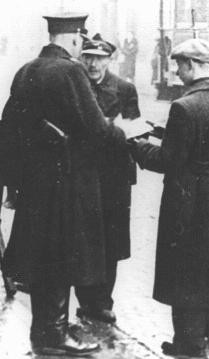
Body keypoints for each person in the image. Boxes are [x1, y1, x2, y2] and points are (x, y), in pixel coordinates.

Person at [0, 13, 127, 356]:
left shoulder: (27, 70)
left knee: (43, 255)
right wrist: (124, 134)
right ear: (73, 38)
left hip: (36, 184)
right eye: (81, 39)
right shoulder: (70, 71)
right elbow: (97, 129)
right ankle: (52, 334)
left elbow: (5, 130)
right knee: (61, 257)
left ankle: (48, 325)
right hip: (67, 183)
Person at [130, 39, 209, 358]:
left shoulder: (183, 106)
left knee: (187, 266)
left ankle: (189, 342)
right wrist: (166, 134)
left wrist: (135, 144)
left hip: (188, 197)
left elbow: (168, 161)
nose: (177, 72)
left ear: (192, 65)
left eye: (179, 65)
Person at [75, 33, 141, 323]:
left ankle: (103, 300)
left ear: (108, 60)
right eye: (88, 57)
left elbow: (134, 129)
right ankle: (85, 299)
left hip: (114, 175)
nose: (92, 64)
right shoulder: (74, 85)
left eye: (99, 58)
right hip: (83, 173)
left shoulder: (125, 88)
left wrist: (111, 129)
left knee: (111, 239)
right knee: (84, 236)